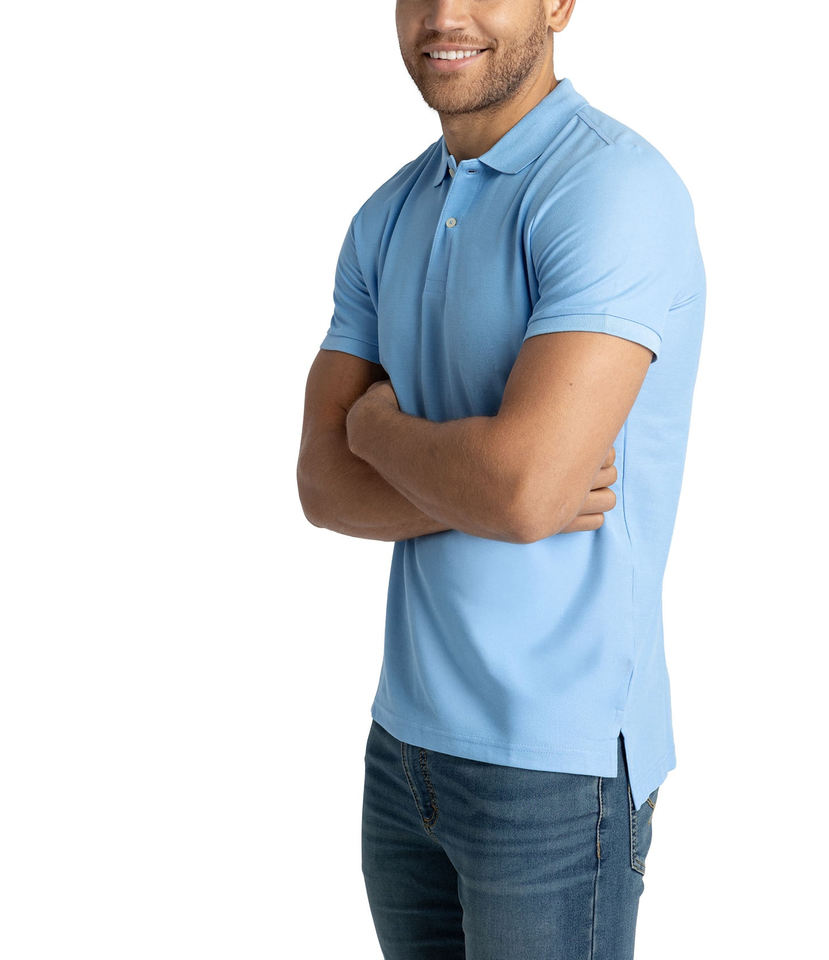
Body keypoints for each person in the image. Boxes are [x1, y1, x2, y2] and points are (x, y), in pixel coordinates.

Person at [297, 1, 706, 957]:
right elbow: (322, 483)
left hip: (556, 771)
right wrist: (487, 480)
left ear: (559, 3)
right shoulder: (386, 213)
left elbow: (522, 492)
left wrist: (377, 427)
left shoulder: (615, 189)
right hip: (403, 752)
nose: (445, 14)